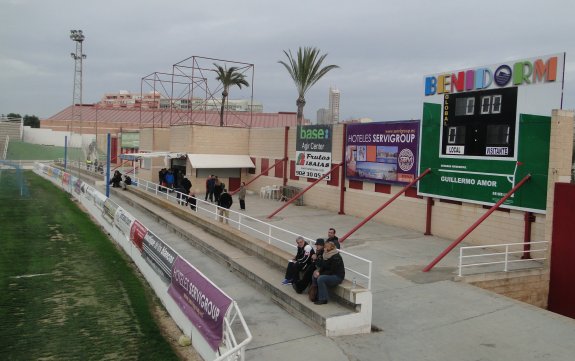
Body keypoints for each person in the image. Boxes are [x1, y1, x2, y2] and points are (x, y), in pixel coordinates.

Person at [311, 240, 345, 305]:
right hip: (330, 273)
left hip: (337, 276)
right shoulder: (326, 255)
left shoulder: (336, 257)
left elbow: (332, 270)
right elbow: (324, 266)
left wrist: (320, 274)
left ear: (330, 248)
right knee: (314, 274)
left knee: (321, 278)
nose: (324, 248)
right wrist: (319, 271)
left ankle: (323, 299)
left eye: (325, 247)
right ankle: (315, 295)